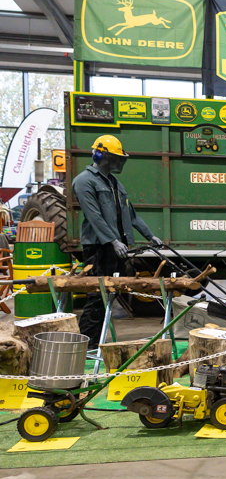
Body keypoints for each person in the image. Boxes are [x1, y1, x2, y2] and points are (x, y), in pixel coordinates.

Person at [71, 134, 162, 347]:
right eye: (113, 157)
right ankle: (86, 345)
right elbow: (94, 216)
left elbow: (131, 215)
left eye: (118, 158)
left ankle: (98, 340)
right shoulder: (84, 181)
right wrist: (112, 241)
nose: (117, 162)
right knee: (97, 297)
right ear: (99, 154)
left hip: (118, 248)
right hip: (99, 248)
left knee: (110, 295)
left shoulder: (115, 183)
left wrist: (150, 236)